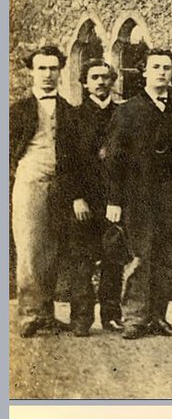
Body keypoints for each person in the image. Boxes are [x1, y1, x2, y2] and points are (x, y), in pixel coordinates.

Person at [103, 46, 172, 339]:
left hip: (169, 198)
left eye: (167, 68)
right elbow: (114, 158)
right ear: (144, 73)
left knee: (165, 257)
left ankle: (158, 317)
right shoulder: (128, 110)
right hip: (137, 195)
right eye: (155, 68)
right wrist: (115, 199)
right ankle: (135, 318)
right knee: (139, 257)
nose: (162, 73)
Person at [10, 44, 79, 338]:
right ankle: (28, 315)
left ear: (60, 71)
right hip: (29, 179)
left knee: (52, 249)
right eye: (42, 68)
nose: (48, 75)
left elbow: (76, 155)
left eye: (53, 68)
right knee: (29, 248)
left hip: (61, 184)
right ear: (32, 72)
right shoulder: (17, 110)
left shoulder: (70, 111)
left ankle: (47, 315)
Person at [68, 57, 121, 335]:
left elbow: (125, 162)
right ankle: (81, 317)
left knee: (114, 256)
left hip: (113, 200)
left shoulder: (123, 114)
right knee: (83, 259)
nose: (101, 82)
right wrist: (77, 197)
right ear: (86, 83)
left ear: (112, 81)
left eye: (105, 77)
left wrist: (117, 199)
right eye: (95, 77)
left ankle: (111, 314)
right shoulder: (74, 117)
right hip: (84, 201)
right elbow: (67, 161)